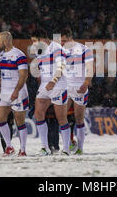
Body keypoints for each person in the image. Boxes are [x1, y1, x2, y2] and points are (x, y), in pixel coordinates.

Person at [30, 28, 70, 156]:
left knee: (61, 118)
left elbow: (62, 66)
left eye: (34, 41)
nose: (33, 44)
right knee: (38, 114)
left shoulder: (57, 48)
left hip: (58, 85)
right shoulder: (39, 51)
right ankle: (45, 147)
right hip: (44, 86)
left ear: (42, 39)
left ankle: (66, 149)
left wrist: (53, 81)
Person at [0, 31, 30, 157]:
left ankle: (23, 150)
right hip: (4, 92)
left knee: (20, 122)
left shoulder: (19, 55)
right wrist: (0, 89)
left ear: (6, 41)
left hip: (18, 92)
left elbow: (24, 75)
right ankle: (9, 147)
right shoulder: (1, 55)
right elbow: (3, 74)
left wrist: (16, 91)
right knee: (0, 119)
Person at [61, 28, 93, 155]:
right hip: (65, 86)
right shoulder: (60, 51)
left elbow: (91, 68)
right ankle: (66, 147)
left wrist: (86, 82)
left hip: (79, 86)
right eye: (61, 41)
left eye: (64, 40)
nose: (62, 43)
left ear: (70, 38)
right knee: (62, 117)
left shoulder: (84, 49)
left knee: (79, 118)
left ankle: (80, 148)